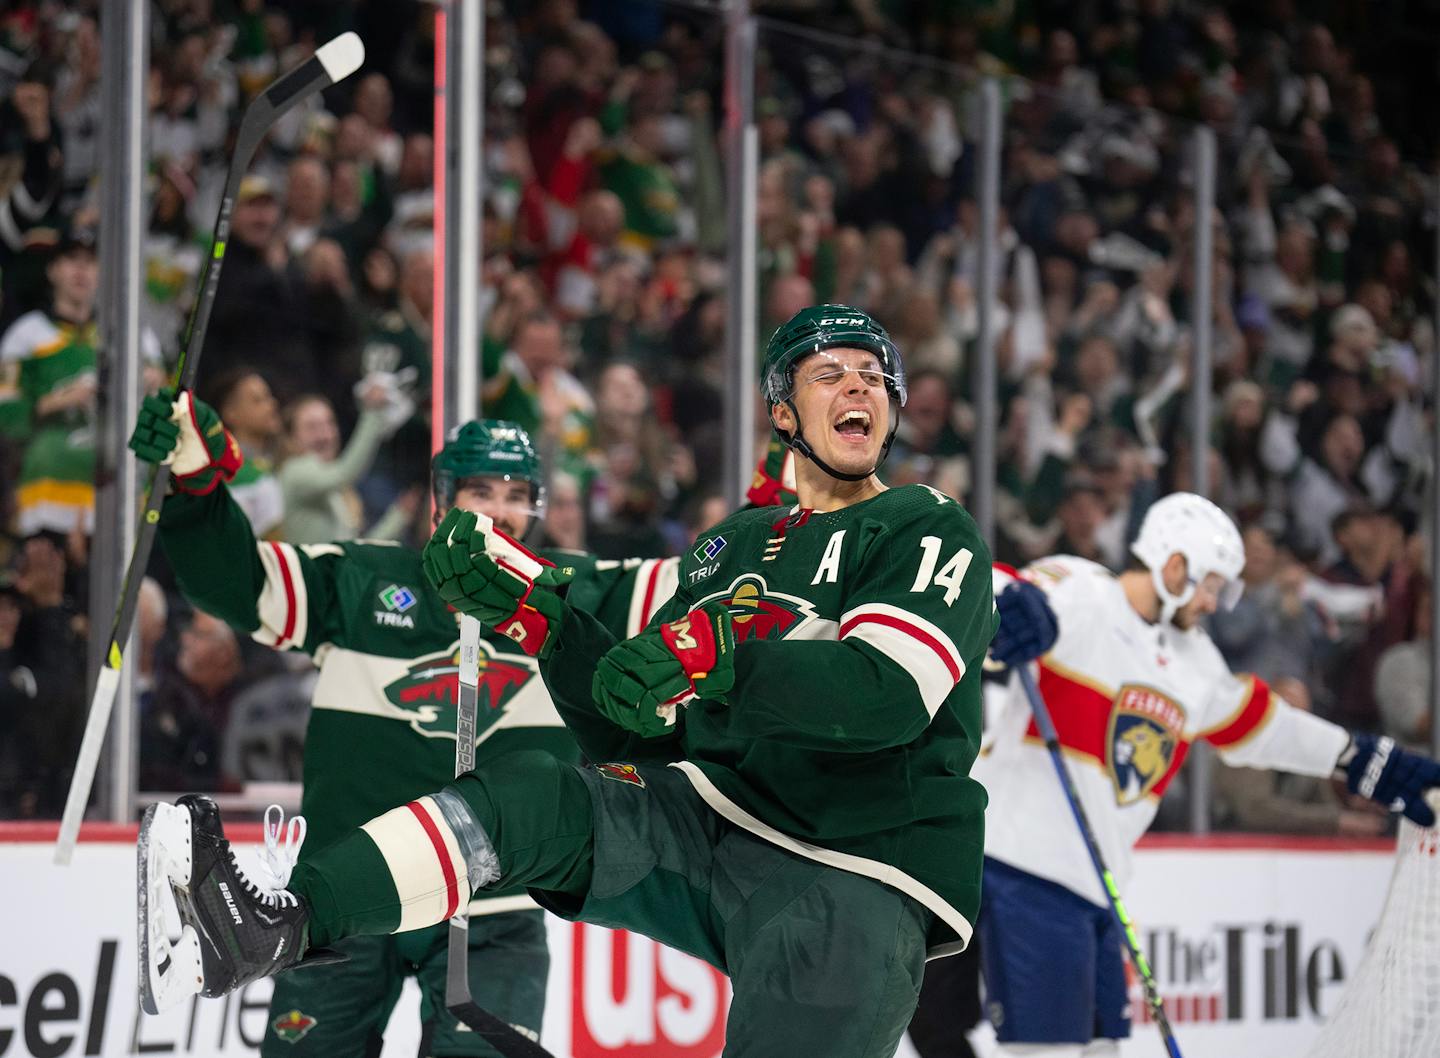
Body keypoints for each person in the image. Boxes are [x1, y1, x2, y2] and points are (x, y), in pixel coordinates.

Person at [137, 305, 1000, 1058]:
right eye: (830, 373)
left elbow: (885, 694)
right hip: (707, 822)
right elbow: (642, 735)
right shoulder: (720, 551)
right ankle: (267, 927)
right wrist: (551, 631)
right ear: (783, 411)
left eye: (873, 375)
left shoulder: (919, 525)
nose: (859, 386)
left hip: (853, 860)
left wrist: (688, 646)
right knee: (536, 792)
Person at [127, 393, 681, 1056]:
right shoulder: (362, 580)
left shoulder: (577, 594)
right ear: (441, 503)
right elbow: (236, 583)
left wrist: (783, 514)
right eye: (482, 491)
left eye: (517, 495)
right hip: (344, 899)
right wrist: (195, 486)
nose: (502, 511)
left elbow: (703, 589)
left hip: (496, 912)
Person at [919, 492, 1440, 1058]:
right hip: (1024, 865)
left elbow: (1269, 728)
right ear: (1174, 566)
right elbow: (988, 585)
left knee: (1101, 1050)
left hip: (1093, 886)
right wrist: (1004, 609)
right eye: (1211, 585)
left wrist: (1359, 759)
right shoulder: (1082, 591)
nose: (1214, 603)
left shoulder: (1196, 665)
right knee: (1045, 1049)